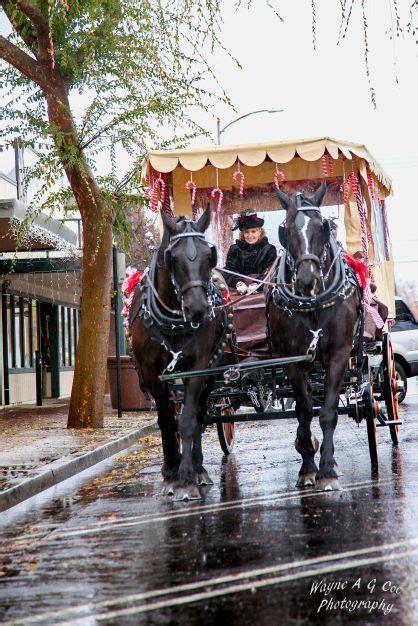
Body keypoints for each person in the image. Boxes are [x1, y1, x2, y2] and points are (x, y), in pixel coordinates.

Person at [223, 213, 277, 294]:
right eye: (247, 232)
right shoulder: (234, 249)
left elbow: (270, 272)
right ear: (243, 234)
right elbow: (230, 270)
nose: (250, 235)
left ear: (260, 232)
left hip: (262, 292)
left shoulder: (269, 249)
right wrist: (238, 283)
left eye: (253, 231)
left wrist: (257, 284)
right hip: (237, 291)